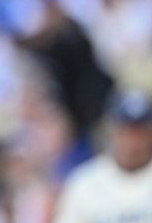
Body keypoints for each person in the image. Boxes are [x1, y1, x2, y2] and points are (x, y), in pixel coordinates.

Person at [54, 90, 152, 223]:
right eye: (126, 132)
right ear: (111, 131)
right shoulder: (84, 183)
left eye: (140, 133)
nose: (133, 142)